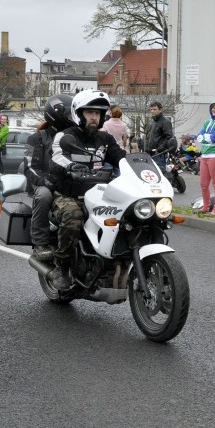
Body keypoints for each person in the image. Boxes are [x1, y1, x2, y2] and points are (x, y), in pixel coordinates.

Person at [48, 90, 127, 291]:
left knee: (128, 215)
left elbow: (122, 158)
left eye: (98, 113)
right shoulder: (65, 136)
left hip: (99, 193)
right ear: (78, 114)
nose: (94, 117)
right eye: (89, 112)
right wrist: (70, 166)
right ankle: (62, 266)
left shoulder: (105, 138)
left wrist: (145, 167)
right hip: (68, 193)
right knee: (73, 215)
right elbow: (57, 158)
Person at [25, 94, 74, 262]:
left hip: (70, 182)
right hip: (45, 183)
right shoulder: (38, 138)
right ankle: (40, 243)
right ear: (56, 115)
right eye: (68, 115)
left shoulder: (75, 136)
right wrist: (46, 181)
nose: (72, 118)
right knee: (44, 194)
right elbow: (30, 167)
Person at [145, 101, 175, 168]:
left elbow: (169, 138)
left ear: (160, 110)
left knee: (160, 175)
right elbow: (148, 137)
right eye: (151, 109)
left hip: (159, 155)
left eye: (155, 109)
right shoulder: (151, 123)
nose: (152, 111)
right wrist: (146, 149)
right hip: (150, 154)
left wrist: (159, 150)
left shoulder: (165, 122)